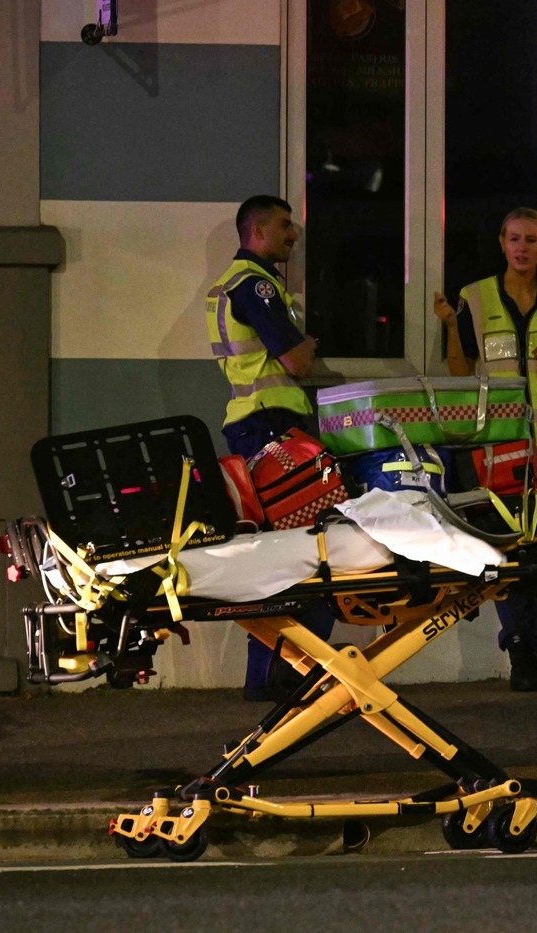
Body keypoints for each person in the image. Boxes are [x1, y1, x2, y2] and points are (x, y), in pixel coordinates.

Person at [433, 207, 537, 692]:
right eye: (515, 238)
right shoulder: (473, 298)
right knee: (505, 549)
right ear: (502, 242)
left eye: (532, 240)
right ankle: (519, 647)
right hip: (498, 443)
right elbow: (460, 375)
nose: (523, 248)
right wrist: (451, 326)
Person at [206, 194, 332, 702]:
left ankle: (269, 675)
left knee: (274, 557)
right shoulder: (255, 286)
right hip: (271, 427)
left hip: (251, 426)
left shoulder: (233, 285)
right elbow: (297, 362)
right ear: (256, 231)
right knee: (302, 551)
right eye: (285, 226)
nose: (293, 235)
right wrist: (311, 342)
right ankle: (288, 671)